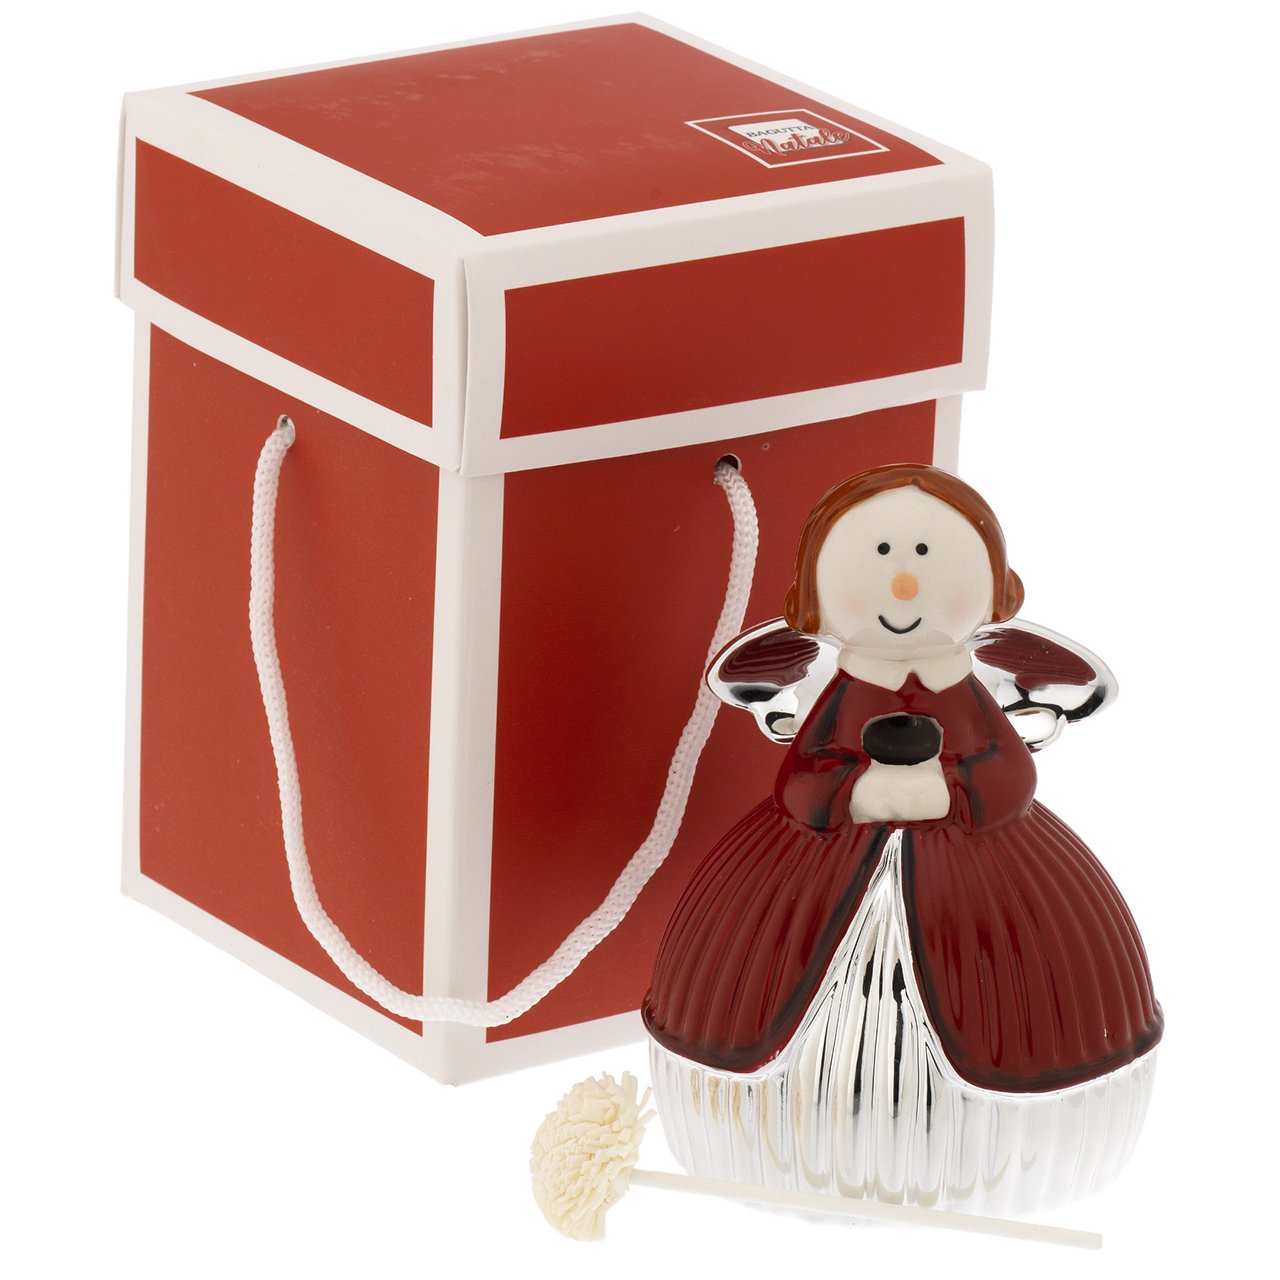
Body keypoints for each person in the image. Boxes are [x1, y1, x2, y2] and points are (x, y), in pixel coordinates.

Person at [643, 463, 1162, 1214]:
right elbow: (803, 780)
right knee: (760, 979)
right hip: (817, 874)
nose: (904, 583)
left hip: (978, 877)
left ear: (994, 588)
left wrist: (949, 791)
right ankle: (777, 1124)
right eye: (881, 555)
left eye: (924, 556)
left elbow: (1008, 774)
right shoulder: (842, 694)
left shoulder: (968, 693)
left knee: (1014, 998)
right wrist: (858, 792)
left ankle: (994, 1141)